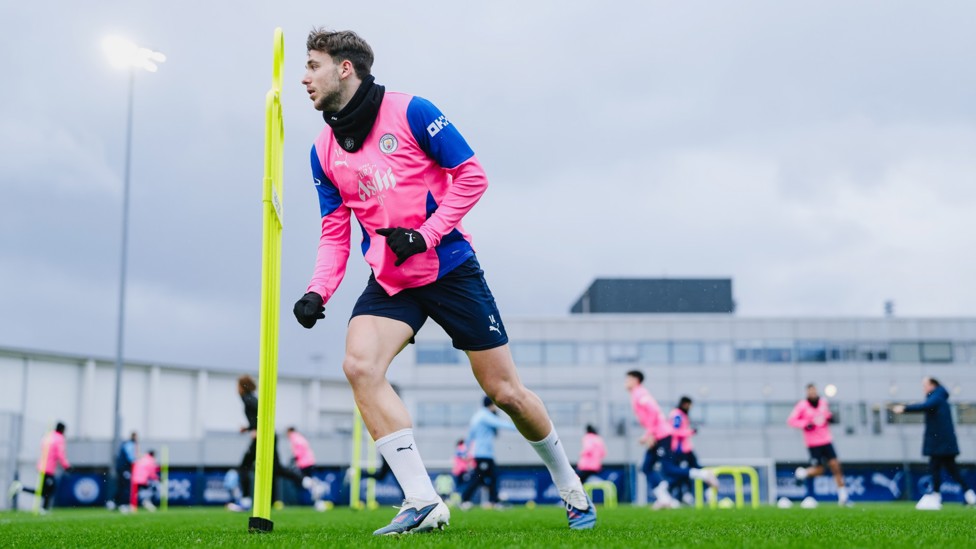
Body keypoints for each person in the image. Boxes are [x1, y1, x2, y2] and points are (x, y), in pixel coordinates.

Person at [293, 28, 596, 534]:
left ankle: (569, 484)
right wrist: (317, 290)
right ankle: (422, 500)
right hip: (392, 280)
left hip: (449, 267)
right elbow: (334, 232)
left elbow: (472, 175)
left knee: (505, 392)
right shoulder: (322, 151)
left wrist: (426, 235)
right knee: (359, 365)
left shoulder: (413, 111)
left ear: (345, 68)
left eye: (312, 65)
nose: (304, 78)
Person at [625, 371, 716, 509]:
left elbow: (654, 411)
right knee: (646, 467)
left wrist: (650, 434)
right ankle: (664, 498)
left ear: (636, 380)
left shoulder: (640, 393)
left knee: (668, 468)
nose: (625, 382)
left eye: (628, 379)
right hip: (658, 435)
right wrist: (648, 434)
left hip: (662, 436)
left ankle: (702, 474)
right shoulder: (637, 394)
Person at [234, 375, 317, 511]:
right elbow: (259, 416)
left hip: (263, 436)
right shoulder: (250, 398)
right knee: (276, 468)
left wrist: (256, 429)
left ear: (242, 386)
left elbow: (263, 413)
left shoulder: (248, 399)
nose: (236, 389)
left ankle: (245, 501)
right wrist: (249, 428)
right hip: (268, 435)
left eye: (237, 386)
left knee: (244, 467)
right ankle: (306, 481)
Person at [893, 377, 976, 510]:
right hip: (944, 443)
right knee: (953, 470)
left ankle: (936, 496)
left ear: (933, 385)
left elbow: (925, 406)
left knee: (935, 468)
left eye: (925, 385)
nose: (923, 388)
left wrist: (905, 408)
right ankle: (969, 495)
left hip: (940, 444)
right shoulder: (939, 397)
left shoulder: (937, 397)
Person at [787, 383, 850, 507]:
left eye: (814, 391)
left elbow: (826, 415)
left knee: (836, 466)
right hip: (813, 443)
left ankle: (843, 497)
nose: (813, 393)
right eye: (810, 392)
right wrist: (806, 424)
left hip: (826, 440)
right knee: (819, 470)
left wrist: (830, 417)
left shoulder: (823, 402)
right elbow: (791, 421)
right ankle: (803, 473)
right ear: (807, 393)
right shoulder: (802, 406)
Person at [460, 397, 517, 509]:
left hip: (483, 453)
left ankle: (493, 501)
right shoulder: (485, 416)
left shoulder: (477, 416)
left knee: (491, 477)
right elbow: (500, 423)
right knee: (478, 478)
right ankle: (465, 499)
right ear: (491, 404)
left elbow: (470, 435)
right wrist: (519, 427)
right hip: (484, 454)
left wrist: (465, 450)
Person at [8, 422, 70, 512]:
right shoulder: (59, 439)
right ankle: (21, 488)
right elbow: (60, 454)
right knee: (47, 490)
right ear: (62, 429)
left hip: (43, 466)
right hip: (48, 468)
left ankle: (43, 508)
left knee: (47, 489)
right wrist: (66, 466)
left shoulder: (48, 436)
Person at [668, 397, 699, 504]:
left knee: (694, 469)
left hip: (686, 449)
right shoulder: (677, 415)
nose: (690, 407)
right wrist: (690, 432)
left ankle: (686, 494)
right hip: (679, 450)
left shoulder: (682, 414)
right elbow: (674, 431)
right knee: (682, 472)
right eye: (689, 405)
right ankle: (677, 495)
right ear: (685, 404)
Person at [110, 431, 137, 512]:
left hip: (121, 468)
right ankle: (123, 504)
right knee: (126, 486)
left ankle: (114, 503)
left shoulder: (126, 444)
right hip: (124, 468)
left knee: (121, 486)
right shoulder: (130, 444)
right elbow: (131, 458)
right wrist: (138, 459)